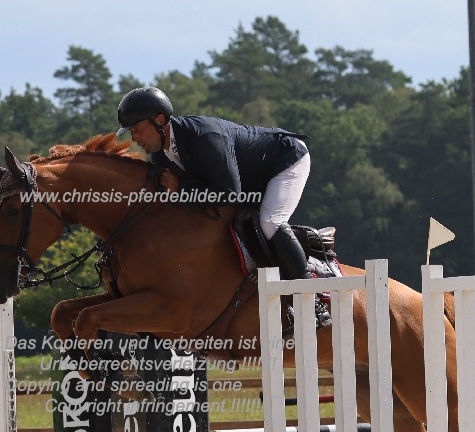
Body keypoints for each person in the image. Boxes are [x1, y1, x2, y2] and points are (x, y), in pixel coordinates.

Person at [115, 86, 330, 328]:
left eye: (136, 130)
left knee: (269, 222)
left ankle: (311, 302)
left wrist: (181, 188)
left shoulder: (205, 138)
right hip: (247, 178)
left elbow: (228, 195)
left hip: (284, 161)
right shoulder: (161, 155)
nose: (134, 139)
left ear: (160, 120)